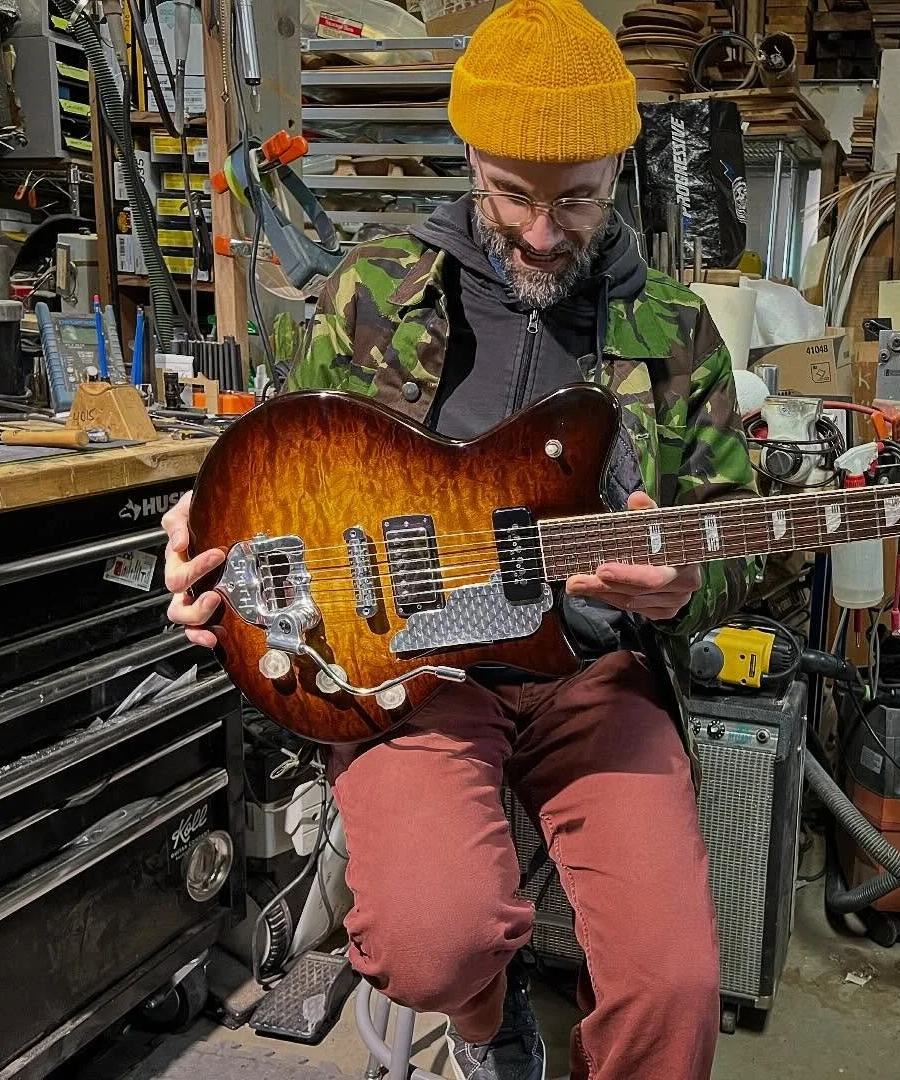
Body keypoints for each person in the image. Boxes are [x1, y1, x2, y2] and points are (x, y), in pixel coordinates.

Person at [160, 1, 759, 1077]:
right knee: (431, 942)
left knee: (675, 992)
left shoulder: (677, 330)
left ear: (620, 169)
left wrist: (690, 585)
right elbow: (273, 461)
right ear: (471, 156)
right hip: (418, 682)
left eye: (578, 198)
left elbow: (739, 541)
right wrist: (205, 516)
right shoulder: (374, 291)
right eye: (513, 194)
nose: (544, 233)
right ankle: (490, 1024)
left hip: (594, 680)